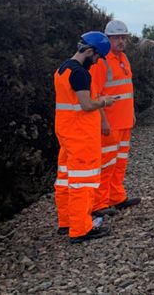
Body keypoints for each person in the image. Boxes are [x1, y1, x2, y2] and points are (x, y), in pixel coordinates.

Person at [54, 31, 115, 243]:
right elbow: (87, 104)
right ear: (89, 51)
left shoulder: (62, 69)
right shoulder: (80, 73)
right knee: (83, 182)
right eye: (97, 57)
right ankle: (81, 229)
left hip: (66, 131)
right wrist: (105, 102)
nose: (97, 61)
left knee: (65, 179)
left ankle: (67, 222)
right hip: (81, 135)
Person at [90, 20, 140, 216]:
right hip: (110, 123)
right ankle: (99, 204)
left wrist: (132, 112)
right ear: (107, 39)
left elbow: (127, 89)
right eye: (117, 38)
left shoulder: (124, 58)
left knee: (120, 163)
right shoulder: (100, 62)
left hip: (125, 121)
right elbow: (95, 93)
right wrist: (102, 120)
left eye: (123, 37)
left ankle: (117, 197)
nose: (121, 41)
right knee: (107, 164)